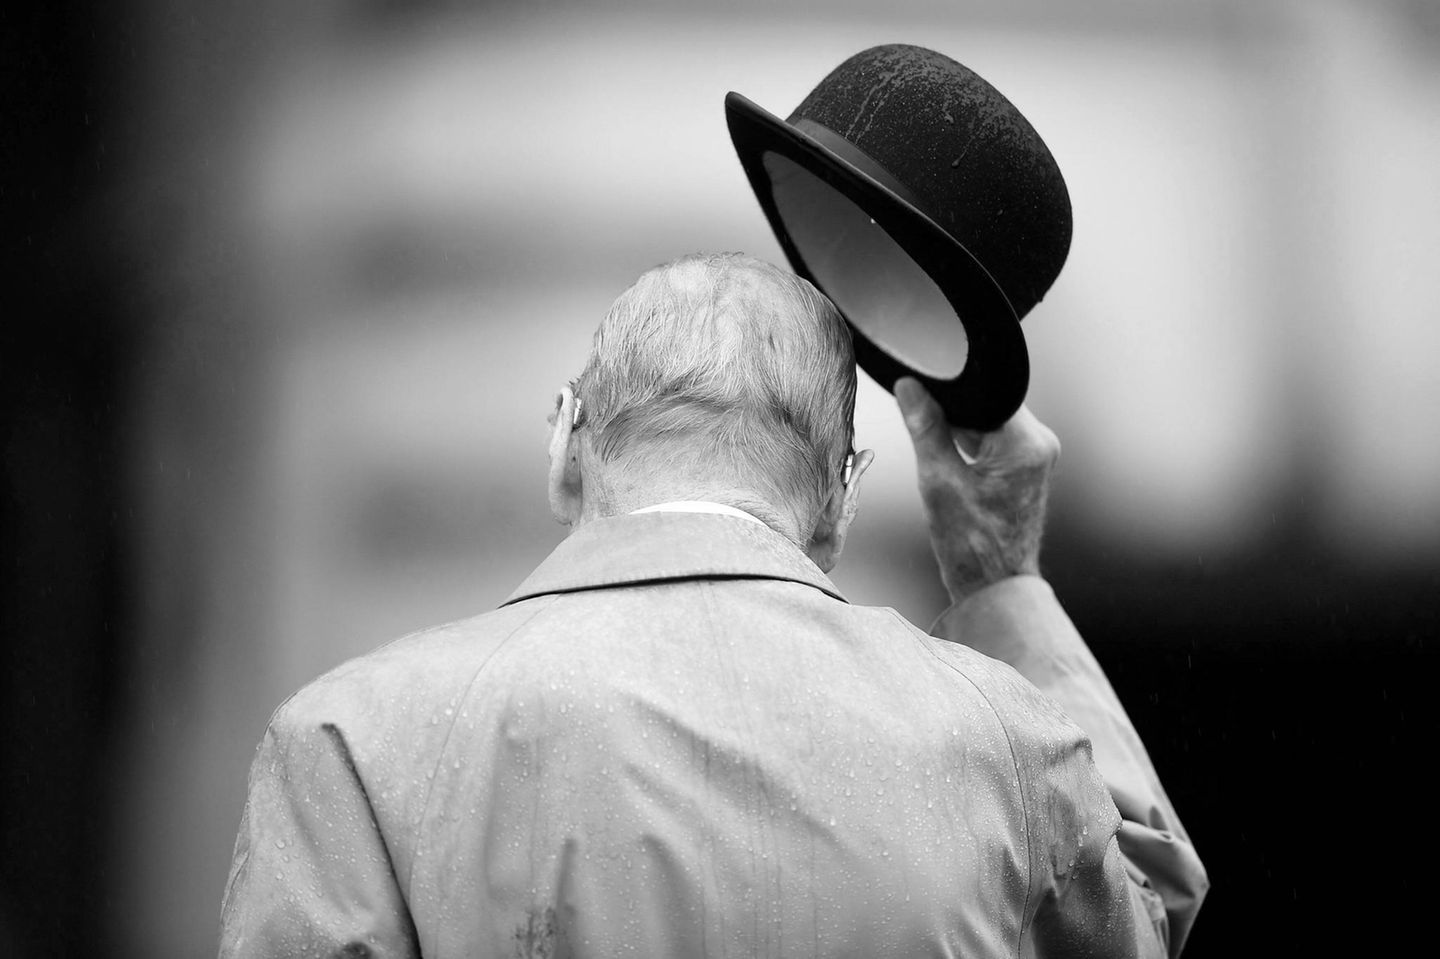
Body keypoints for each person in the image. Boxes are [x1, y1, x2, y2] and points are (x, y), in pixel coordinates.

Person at [219, 253, 1207, 957]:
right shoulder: (1003, 741)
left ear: (567, 443)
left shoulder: (350, 742)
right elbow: (1144, 920)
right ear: (843, 493)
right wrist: (1001, 578)